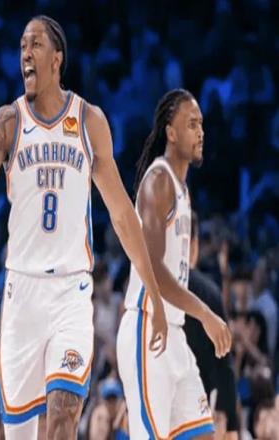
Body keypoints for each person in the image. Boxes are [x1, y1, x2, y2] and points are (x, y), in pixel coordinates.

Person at [0, 15, 168, 439]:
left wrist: (154, 292)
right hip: (22, 294)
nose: (25, 53)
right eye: (22, 46)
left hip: (71, 292)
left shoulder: (89, 121)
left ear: (57, 59)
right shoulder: (9, 121)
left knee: (63, 416)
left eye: (35, 44)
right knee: (20, 433)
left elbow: (122, 214)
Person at [117, 88, 232, 439]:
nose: (201, 132)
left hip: (175, 333)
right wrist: (206, 314)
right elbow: (152, 267)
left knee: (204, 434)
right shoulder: (158, 181)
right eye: (192, 124)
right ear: (171, 132)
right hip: (148, 327)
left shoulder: (182, 190)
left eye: (202, 124)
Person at [184, 211, 238, 439]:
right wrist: (229, 419)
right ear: (193, 243)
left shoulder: (149, 287)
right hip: (198, 407)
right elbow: (223, 361)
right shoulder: (208, 292)